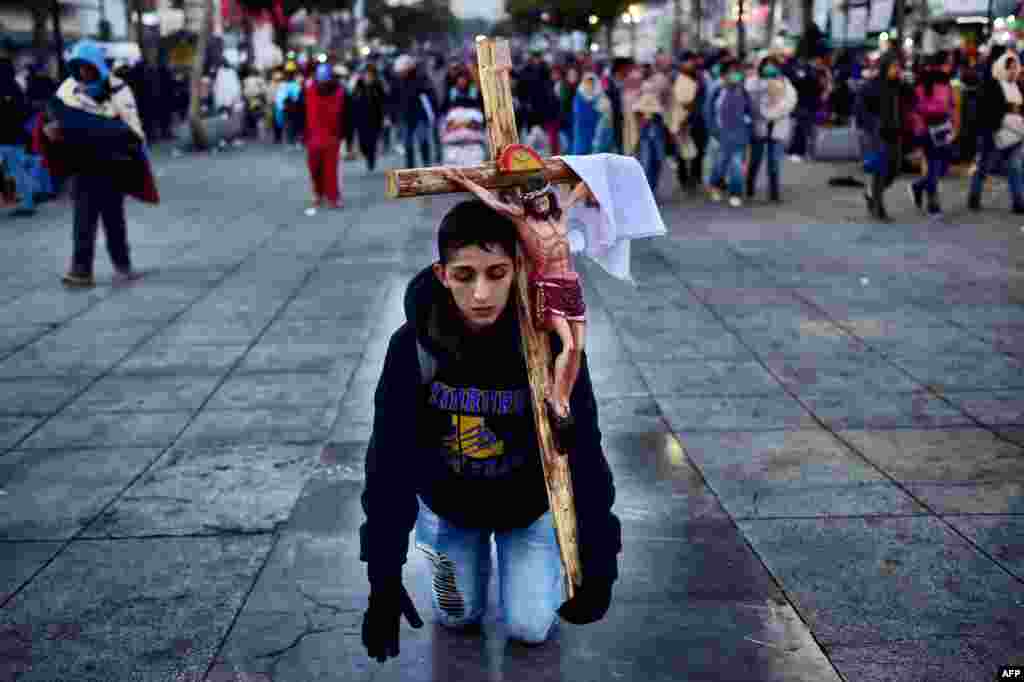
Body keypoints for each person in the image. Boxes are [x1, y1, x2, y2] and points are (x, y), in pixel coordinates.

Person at [359, 198, 621, 662]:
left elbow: (585, 450)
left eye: (496, 273)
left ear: (517, 267)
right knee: (456, 615)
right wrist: (382, 577)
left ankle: (539, 566)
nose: (481, 294)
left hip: (527, 507)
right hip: (451, 506)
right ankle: (453, 553)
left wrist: (599, 562)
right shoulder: (411, 347)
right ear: (442, 274)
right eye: (465, 276)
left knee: (530, 625)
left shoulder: (550, 344)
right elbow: (388, 463)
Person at [44, 39, 153, 288]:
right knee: (83, 220)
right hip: (82, 165)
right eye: (78, 66)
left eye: (87, 66)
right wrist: (55, 128)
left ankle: (123, 266)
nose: (83, 72)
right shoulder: (68, 90)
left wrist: (93, 128)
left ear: (96, 66)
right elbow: (54, 116)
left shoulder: (118, 89)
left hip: (111, 165)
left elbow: (130, 127)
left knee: (113, 219)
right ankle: (81, 270)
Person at [967, 47, 1024, 214]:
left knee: (1015, 167)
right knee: (984, 166)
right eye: (1010, 66)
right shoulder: (991, 83)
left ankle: (1018, 202)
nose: (1014, 70)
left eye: (1015, 66)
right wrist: (1009, 109)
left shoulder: (1015, 85)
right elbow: (989, 108)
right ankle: (974, 196)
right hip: (993, 132)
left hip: (1014, 133)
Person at [907, 51, 958, 218]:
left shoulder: (946, 82)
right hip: (928, 129)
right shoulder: (924, 81)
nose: (950, 66)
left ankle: (919, 186)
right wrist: (920, 129)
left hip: (942, 128)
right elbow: (916, 107)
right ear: (941, 64)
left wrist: (953, 125)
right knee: (935, 166)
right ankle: (933, 203)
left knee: (940, 166)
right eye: (948, 62)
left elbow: (951, 105)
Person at [746, 56, 797, 202]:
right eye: (766, 65)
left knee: (774, 162)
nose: (769, 68)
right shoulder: (752, 83)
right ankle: (749, 187)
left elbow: (789, 103)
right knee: (755, 160)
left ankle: (774, 193)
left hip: (777, 127)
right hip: (759, 127)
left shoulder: (786, 84)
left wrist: (773, 113)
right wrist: (762, 112)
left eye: (772, 65)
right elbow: (750, 102)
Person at [707, 59, 753, 207]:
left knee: (737, 165)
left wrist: (748, 128)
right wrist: (713, 131)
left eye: (737, 72)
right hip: (720, 134)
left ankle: (735, 193)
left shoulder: (743, 91)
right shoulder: (717, 90)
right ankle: (715, 185)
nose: (735, 75)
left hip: (739, 134)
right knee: (720, 164)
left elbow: (749, 112)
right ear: (724, 75)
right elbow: (708, 112)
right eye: (731, 72)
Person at [303, 63, 345, 211]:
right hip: (313, 137)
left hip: (332, 138)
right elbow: (303, 110)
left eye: (325, 80)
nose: (322, 83)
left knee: (330, 170)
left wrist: (345, 135)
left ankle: (333, 197)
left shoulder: (339, 92)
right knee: (314, 168)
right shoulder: (309, 89)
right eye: (320, 80)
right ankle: (318, 192)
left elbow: (346, 113)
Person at [0, 58, 37, 217]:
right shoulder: (15, 87)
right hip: (14, 136)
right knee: (18, 170)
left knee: (18, 171)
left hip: (8, 137)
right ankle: (27, 201)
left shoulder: (5, 88)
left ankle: (27, 204)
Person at [391, 54, 437, 169]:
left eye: (402, 71)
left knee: (422, 139)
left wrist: (432, 110)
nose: (401, 73)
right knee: (407, 143)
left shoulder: (420, 78)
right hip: (405, 115)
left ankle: (426, 162)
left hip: (420, 114)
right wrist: (393, 115)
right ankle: (410, 165)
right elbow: (393, 99)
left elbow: (430, 94)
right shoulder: (397, 82)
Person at [671, 51, 706, 194]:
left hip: (698, 120)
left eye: (691, 61)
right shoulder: (677, 78)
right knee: (682, 151)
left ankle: (696, 178)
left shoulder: (700, 78)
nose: (690, 64)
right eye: (687, 61)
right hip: (682, 120)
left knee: (698, 150)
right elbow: (676, 101)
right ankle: (684, 179)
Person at [351, 63, 387, 173]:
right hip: (361, 118)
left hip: (375, 118)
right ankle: (367, 154)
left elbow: (384, 101)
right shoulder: (359, 84)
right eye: (366, 73)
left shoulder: (378, 85)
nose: (368, 76)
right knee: (363, 142)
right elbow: (352, 97)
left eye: (370, 74)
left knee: (372, 140)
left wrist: (386, 116)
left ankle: (371, 160)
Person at [633, 89, 669, 194]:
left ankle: (651, 188)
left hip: (655, 138)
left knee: (657, 162)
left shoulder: (658, 119)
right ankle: (647, 190)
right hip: (647, 139)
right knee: (647, 163)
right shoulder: (642, 120)